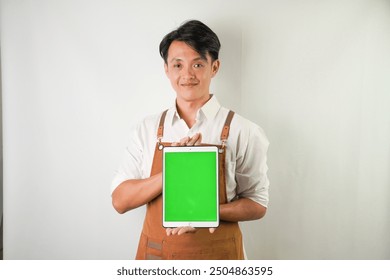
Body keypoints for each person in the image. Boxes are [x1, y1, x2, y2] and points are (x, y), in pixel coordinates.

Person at [111, 20, 269, 260]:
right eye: (177, 65)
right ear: (166, 69)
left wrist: (206, 213)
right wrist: (172, 172)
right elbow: (120, 201)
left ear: (214, 67)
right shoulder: (147, 129)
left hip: (220, 259)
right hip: (157, 258)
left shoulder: (243, 130)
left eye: (197, 64)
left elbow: (257, 204)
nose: (187, 75)